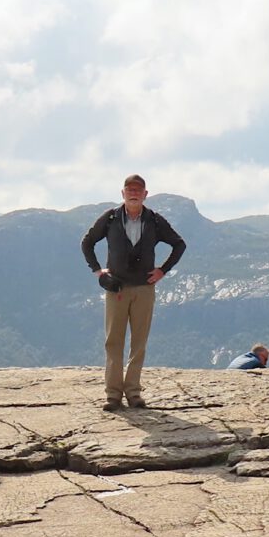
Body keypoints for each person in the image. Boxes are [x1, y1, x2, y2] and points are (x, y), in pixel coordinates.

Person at [81, 175, 188, 411]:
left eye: (138, 190)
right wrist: (98, 271)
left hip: (144, 288)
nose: (133, 193)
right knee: (113, 342)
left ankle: (133, 393)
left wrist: (163, 270)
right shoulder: (110, 219)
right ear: (122, 193)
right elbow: (87, 242)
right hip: (116, 288)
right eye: (129, 190)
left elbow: (179, 244)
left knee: (139, 343)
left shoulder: (154, 220)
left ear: (145, 194)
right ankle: (113, 396)